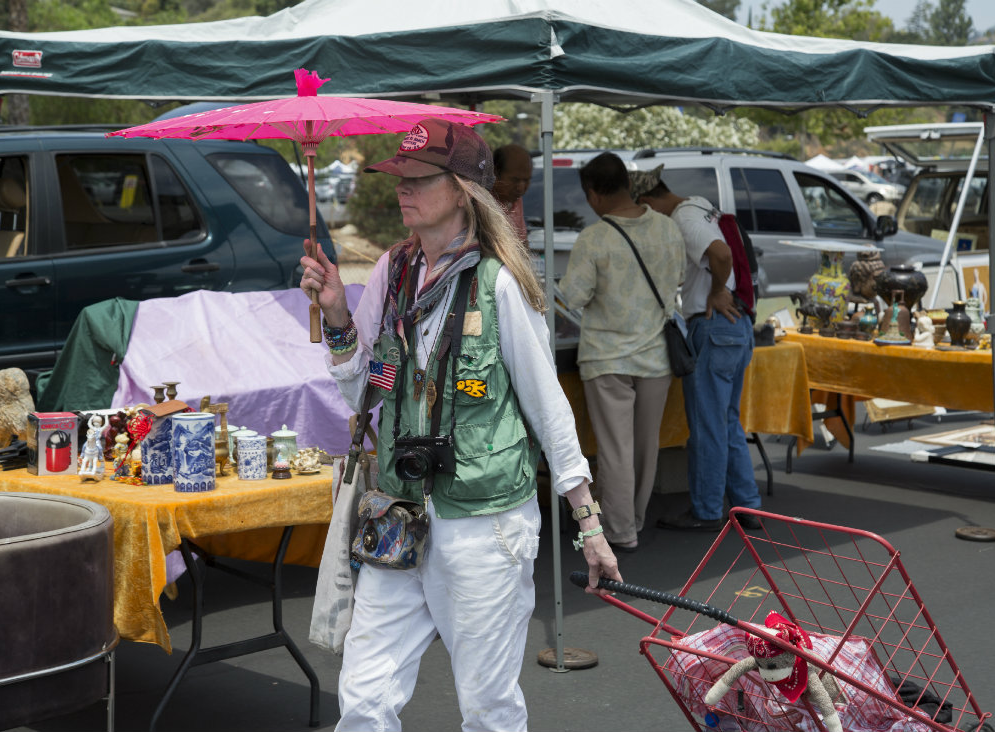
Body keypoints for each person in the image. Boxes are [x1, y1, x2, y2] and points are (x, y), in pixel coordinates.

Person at [299, 118, 620, 732]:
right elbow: (360, 390)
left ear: (464, 190)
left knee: (487, 707)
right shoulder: (392, 272)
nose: (403, 189)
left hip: (485, 526)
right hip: (398, 514)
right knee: (363, 697)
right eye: (398, 176)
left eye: (420, 178)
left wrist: (588, 520)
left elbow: (548, 406)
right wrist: (337, 312)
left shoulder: (500, 284)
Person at [558, 153, 685, 553]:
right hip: (656, 358)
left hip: (607, 357)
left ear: (593, 192)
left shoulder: (594, 238)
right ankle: (637, 519)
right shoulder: (668, 228)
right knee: (646, 449)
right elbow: (678, 278)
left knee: (615, 451)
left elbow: (574, 295)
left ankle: (619, 530)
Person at [630, 168, 762, 532]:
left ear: (645, 203)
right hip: (735, 326)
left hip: (716, 323)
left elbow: (719, 254)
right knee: (726, 422)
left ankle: (706, 509)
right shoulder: (702, 206)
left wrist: (718, 289)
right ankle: (747, 505)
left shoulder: (684, 217)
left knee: (708, 426)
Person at [492, 143, 533, 243]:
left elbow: (522, 242)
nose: (521, 188)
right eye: (515, 180)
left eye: (526, 180)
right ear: (495, 173)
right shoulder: (480, 201)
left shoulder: (515, 199)